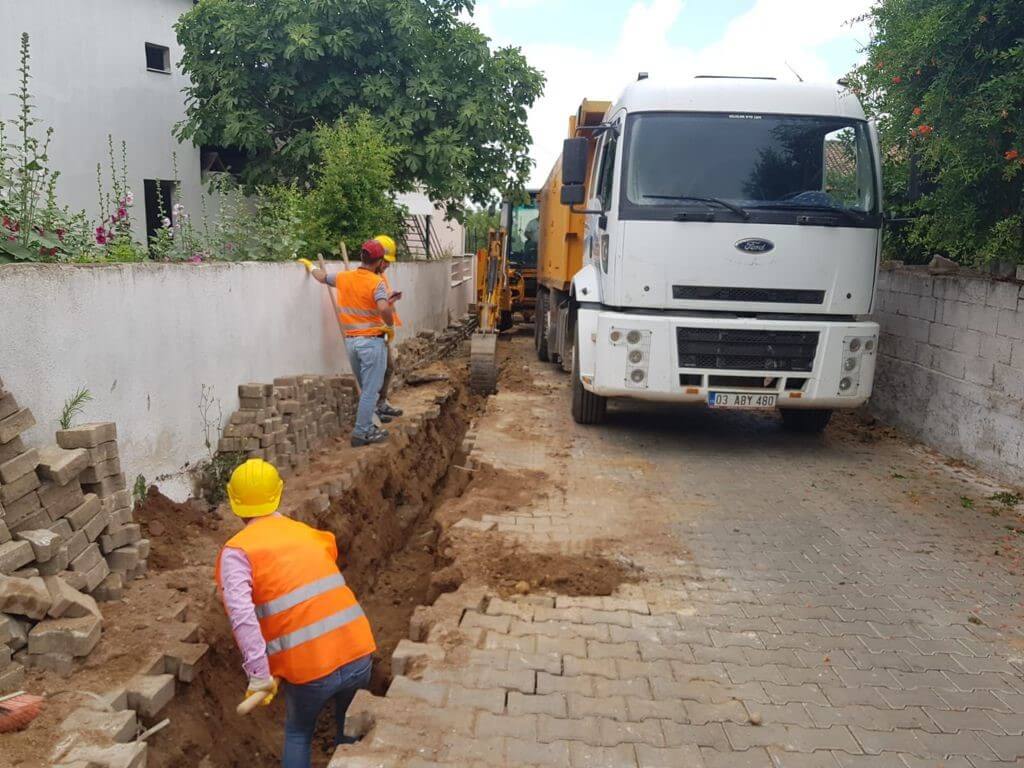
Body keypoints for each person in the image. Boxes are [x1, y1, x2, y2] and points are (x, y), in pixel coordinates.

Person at [216, 459, 376, 768]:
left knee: (299, 732)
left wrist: (260, 676)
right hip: (358, 652)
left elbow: (242, 616)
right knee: (348, 726)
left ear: (233, 502)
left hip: (310, 669)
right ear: (279, 493)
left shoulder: (237, 553)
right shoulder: (307, 533)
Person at [307, 240, 396, 447]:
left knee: (366, 387)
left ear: (363, 257)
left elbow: (321, 277)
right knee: (370, 390)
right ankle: (362, 432)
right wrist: (390, 324)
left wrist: (310, 266)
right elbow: (383, 308)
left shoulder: (344, 278)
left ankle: (367, 425)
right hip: (372, 343)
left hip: (352, 343)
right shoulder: (376, 283)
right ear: (379, 261)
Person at [373, 234, 403, 424]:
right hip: (373, 332)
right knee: (379, 370)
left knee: (388, 367)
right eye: (386, 261)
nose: (388, 265)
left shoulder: (380, 276)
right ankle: (376, 407)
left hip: (382, 331)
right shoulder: (370, 279)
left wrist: (391, 299)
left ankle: (381, 403)